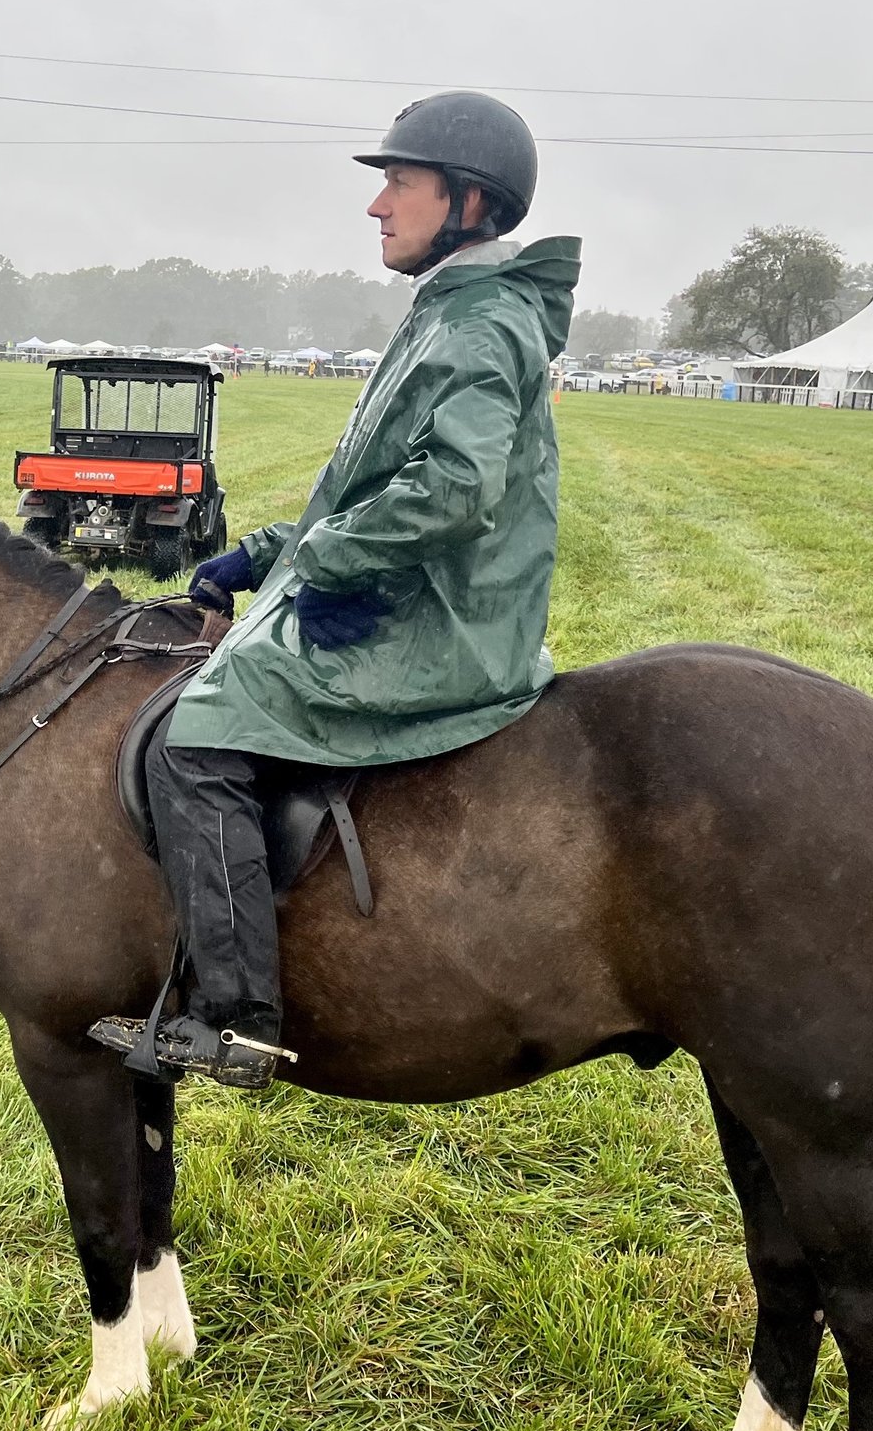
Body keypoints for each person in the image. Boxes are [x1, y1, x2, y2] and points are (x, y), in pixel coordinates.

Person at [90, 92, 581, 1087]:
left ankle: (237, 1019)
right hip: (407, 589)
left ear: (469, 199)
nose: (377, 205)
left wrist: (311, 568)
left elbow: (455, 488)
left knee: (198, 740)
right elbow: (359, 490)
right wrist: (262, 555)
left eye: (398, 182)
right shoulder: (454, 306)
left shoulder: (481, 321)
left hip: (435, 619)